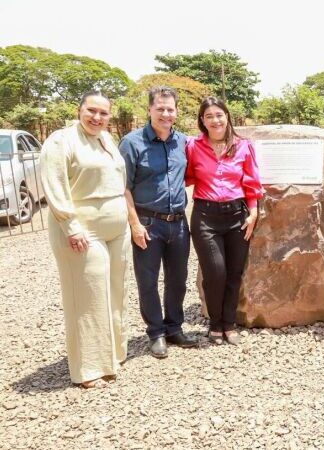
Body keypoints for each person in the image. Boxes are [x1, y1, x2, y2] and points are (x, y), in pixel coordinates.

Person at [41, 91, 129, 388]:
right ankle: (89, 368)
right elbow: (55, 186)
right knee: (87, 298)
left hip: (116, 228)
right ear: (79, 110)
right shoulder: (60, 140)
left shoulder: (107, 140)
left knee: (115, 292)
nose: (97, 117)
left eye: (103, 113)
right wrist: (71, 226)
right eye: (91, 111)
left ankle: (112, 355)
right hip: (83, 230)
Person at [119, 87, 198, 358]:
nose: (166, 113)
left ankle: (174, 327)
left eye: (170, 109)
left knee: (178, 279)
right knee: (148, 280)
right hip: (147, 222)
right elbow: (124, 187)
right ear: (150, 110)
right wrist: (134, 224)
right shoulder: (132, 143)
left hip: (177, 223)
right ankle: (155, 332)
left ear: (176, 112)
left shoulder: (184, 142)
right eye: (160, 108)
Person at [186, 97, 263, 345]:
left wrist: (253, 212)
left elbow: (251, 183)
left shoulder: (243, 146)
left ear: (227, 116)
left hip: (236, 216)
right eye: (209, 116)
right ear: (202, 121)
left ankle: (229, 323)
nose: (215, 120)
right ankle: (215, 323)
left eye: (219, 114)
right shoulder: (193, 146)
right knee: (215, 272)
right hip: (205, 217)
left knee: (234, 272)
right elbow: (183, 176)